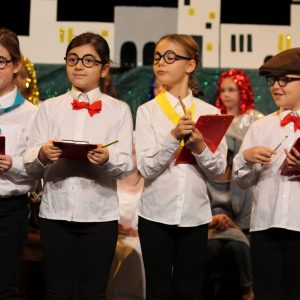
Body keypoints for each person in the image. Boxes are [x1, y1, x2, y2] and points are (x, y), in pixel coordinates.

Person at [24, 31, 134, 299]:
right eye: (72, 59)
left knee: (93, 292)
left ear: (104, 68)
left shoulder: (119, 110)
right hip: (55, 214)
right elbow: (29, 163)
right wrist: (42, 154)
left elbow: (126, 165)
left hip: (100, 215)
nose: (78, 66)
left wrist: (106, 160)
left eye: (88, 60)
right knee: (57, 290)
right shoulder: (49, 108)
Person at [135, 33, 228, 300]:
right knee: (157, 291)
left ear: (190, 65)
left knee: (187, 291)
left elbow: (218, 169)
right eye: (157, 57)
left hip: (195, 216)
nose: (161, 63)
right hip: (155, 215)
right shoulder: (147, 112)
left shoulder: (210, 112)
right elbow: (146, 169)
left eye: (170, 57)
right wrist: (173, 138)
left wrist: (199, 147)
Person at [232, 47, 300, 300]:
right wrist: (247, 158)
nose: (276, 86)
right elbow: (241, 181)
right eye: (273, 80)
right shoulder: (261, 126)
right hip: (265, 228)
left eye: (285, 80)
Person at [201, 69, 262, 300]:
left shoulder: (256, 120)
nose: (226, 95)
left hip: (244, 183)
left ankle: (247, 289)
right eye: (222, 90)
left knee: (237, 245)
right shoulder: (214, 119)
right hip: (217, 182)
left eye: (231, 89)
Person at [0, 27, 37, 299]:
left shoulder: (31, 114)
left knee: (5, 286)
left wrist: (11, 164)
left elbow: (40, 170)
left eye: (0, 61)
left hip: (9, 209)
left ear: (16, 65)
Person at [106, 142, 145, 300]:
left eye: (134, 152)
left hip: (139, 237)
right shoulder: (109, 183)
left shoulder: (148, 185)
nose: (131, 156)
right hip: (113, 237)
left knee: (140, 249)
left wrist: (134, 232)